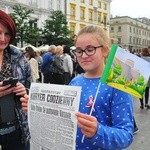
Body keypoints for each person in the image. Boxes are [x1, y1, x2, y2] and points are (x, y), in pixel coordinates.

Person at [21, 26, 134, 150]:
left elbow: (126, 135)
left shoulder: (117, 85)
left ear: (105, 50)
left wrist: (98, 131)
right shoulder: (75, 81)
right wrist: (35, 109)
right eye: (79, 51)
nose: (83, 55)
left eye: (90, 49)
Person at [0, 9, 31, 150]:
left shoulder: (18, 57)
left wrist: (24, 91)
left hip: (17, 130)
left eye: (7, 34)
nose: (3, 38)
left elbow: (32, 90)